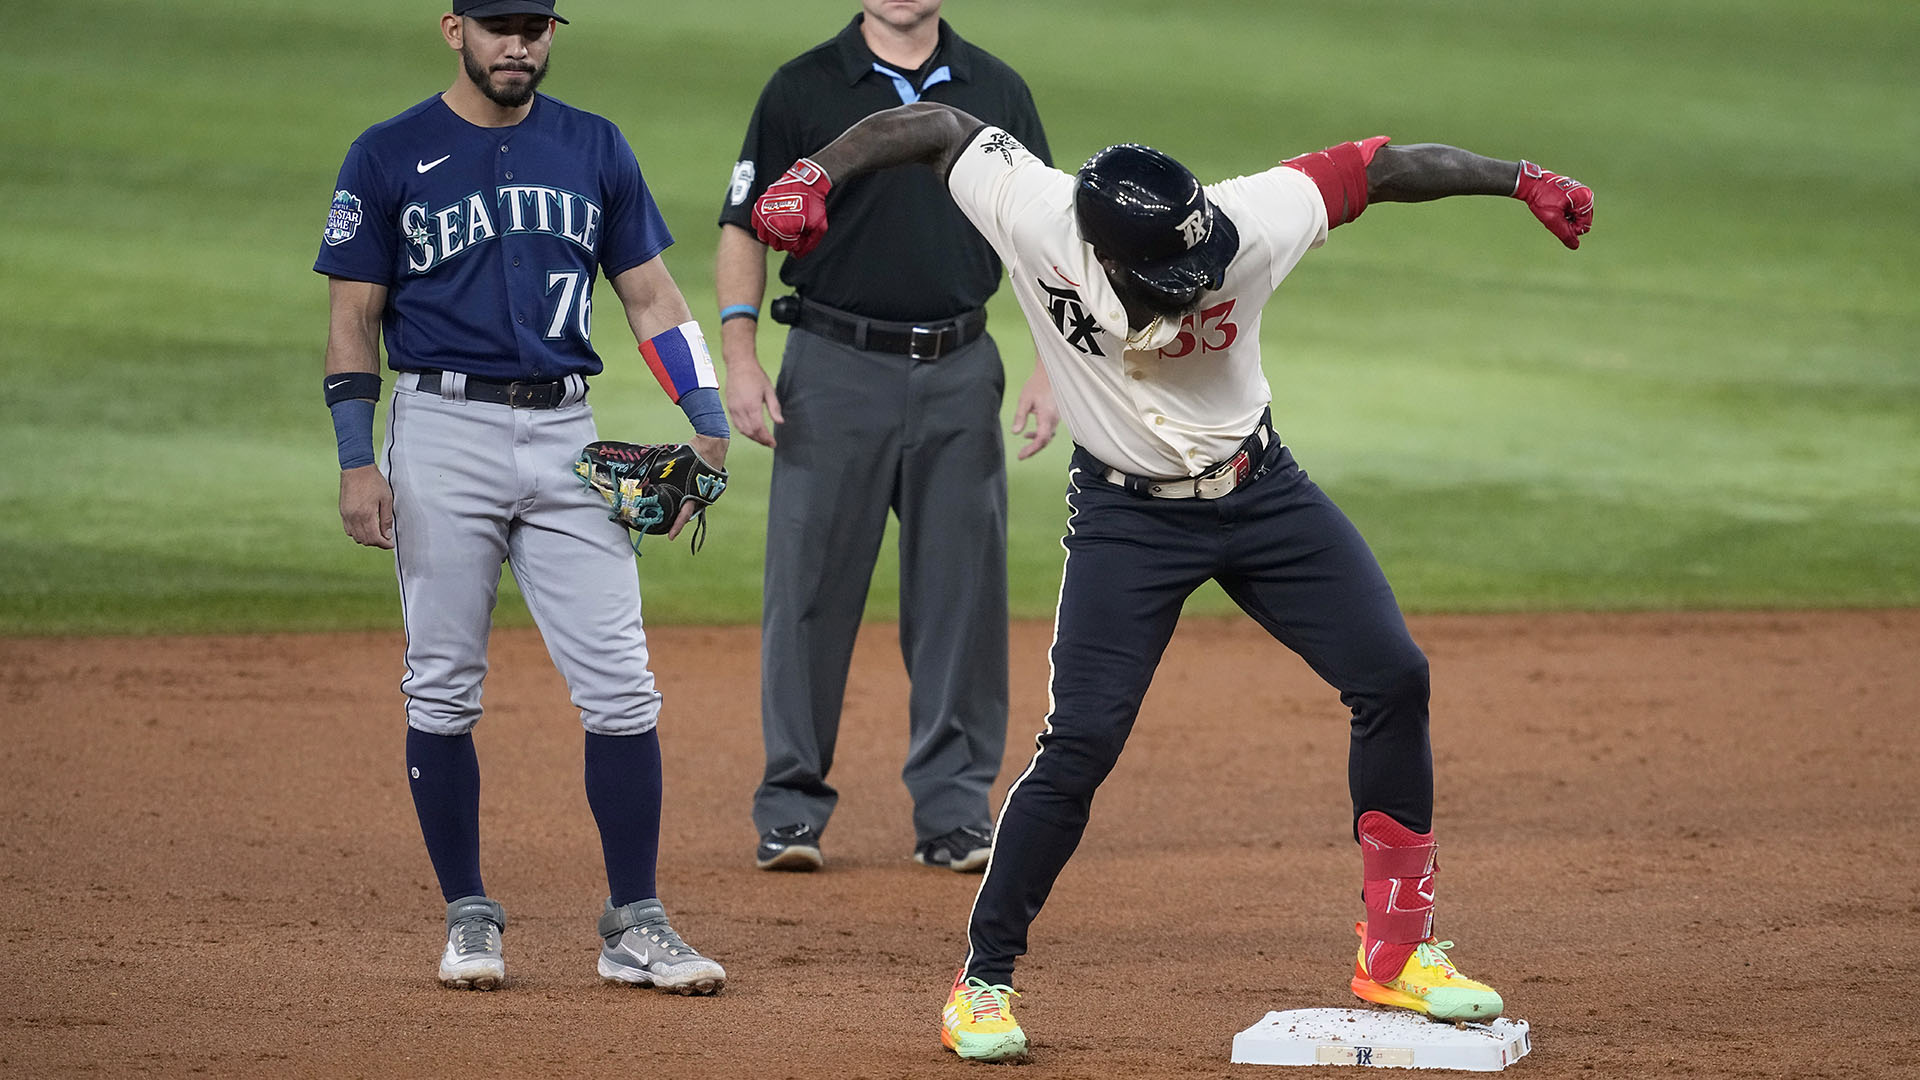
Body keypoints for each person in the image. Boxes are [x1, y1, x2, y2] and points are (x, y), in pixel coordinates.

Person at [754, 102, 1593, 1059]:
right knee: (1081, 743)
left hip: (1262, 490)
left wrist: (1520, 177)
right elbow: (938, 126)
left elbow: (1387, 166)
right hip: (1129, 521)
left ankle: (1395, 952)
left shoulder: (1252, 219)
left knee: (1393, 676)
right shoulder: (1037, 211)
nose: (1190, 293)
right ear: (1100, 255)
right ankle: (982, 982)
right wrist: (816, 173)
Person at [314, 0, 729, 995]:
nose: (518, 45)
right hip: (439, 431)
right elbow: (352, 320)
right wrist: (355, 458)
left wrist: (705, 412)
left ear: (552, 34)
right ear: (452, 29)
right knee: (444, 684)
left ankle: (635, 920)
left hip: (567, 435)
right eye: (498, 26)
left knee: (623, 685)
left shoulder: (594, 147)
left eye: (535, 27)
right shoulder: (387, 155)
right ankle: (468, 914)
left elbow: (651, 294)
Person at [714, 0, 1058, 874]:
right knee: (809, 592)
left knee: (961, 600)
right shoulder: (802, 87)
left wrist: (1056, 365)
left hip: (960, 367)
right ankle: (790, 808)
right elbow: (743, 225)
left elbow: (1042, 232)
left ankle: (954, 812)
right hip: (832, 367)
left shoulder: (998, 90)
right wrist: (741, 353)